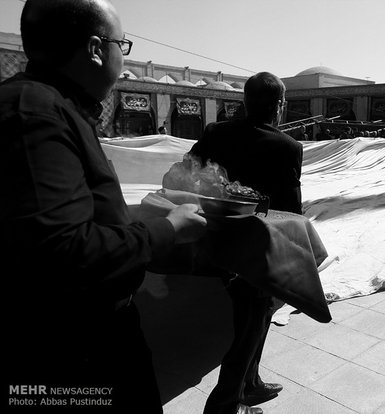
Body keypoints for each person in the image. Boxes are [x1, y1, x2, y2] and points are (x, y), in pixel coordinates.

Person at [0, 1, 208, 412]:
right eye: (122, 45)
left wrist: (132, 216)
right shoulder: (35, 114)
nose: (122, 58)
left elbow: (54, 220)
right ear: (96, 48)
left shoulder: (55, 107)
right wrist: (168, 230)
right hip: (73, 351)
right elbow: (62, 252)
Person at [190, 72, 302, 414]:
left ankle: (250, 383)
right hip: (254, 251)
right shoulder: (287, 147)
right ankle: (225, 404)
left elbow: (187, 170)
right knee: (250, 327)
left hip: (213, 238)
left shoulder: (215, 133)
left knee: (258, 317)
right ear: (280, 107)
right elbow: (290, 212)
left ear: (244, 103)